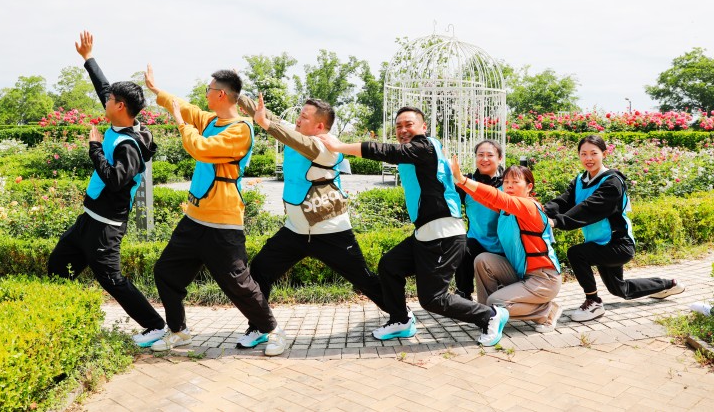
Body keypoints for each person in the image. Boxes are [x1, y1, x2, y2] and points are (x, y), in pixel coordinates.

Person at [319, 107, 509, 346]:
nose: (403, 130)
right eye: (398, 126)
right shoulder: (420, 151)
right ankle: (401, 320)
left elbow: (385, 151)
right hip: (425, 233)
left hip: (444, 235)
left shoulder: (424, 147)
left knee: (433, 299)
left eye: (409, 124)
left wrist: (339, 146)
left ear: (423, 127)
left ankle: (490, 315)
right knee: (390, 266)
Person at [144, 65, 286, 356]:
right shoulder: (211, 120)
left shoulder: (240, 130)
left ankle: (271, 330)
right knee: (166, 272)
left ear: (221, 94)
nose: (205, 94)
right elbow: (186, 108)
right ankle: (178, 331)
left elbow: (201, 148)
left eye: (208, 90)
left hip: (223, 222)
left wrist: (181, 123)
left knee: (238, 284)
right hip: (194, 219)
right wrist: (157, 91)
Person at [235, 93, 387, 348]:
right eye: (299, 114)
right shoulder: (297, 134)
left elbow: (287, 135)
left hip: (331, 232)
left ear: (319, 125)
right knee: (260, 269)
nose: (298, 119)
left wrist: (266, 125)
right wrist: (237, 95)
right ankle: (260, 326)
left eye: (304, 117)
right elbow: (270, 117)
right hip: (295, 231)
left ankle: (402, 316)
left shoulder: (325, 148)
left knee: (364, 280)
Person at [47, 31, 166, 347]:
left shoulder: (129, 145)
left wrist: (95, 148)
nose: (105, 101)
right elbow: (104, 87)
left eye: (110, 100)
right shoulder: (118, 120)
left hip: (106, 228)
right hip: (88, 220)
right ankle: (62, 320)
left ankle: (156, 326)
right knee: (58, 267)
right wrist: (88, 57)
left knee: (112, 280)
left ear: (120, 106)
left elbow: (115, 180)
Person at [543, 135, 685, 322]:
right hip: (599, 243)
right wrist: (541, 211)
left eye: (594, 153)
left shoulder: (612, 182)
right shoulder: (580, 180)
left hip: (618, 244)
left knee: (576, 254)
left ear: (604, 154)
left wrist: (557, 222)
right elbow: (563, 201)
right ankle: (668, 284)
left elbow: (589, 207)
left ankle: (593, 302)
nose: (588, 158)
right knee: (620, 289)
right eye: (583, 154)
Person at [450, 158, 563, 333]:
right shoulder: (507, 209)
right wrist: (459, 182)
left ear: (529, 187)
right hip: (522, 274)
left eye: (515, 182)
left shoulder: (528, 206)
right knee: (483, 260)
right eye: (506, 182)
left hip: (543, 279)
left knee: (496, 302)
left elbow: (495, 196)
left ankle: (547, 312)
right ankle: (487, 316)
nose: (509, 186)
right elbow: (485, 199)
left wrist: (463, 179)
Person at [454, 140, 505, 301]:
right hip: (477, 242)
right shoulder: (466, 183)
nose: (484, 159)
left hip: (505, 245)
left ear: (500, 158)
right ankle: (463, 293)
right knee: (462, 246)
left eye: (490, 155)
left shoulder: (508, 182)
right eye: (480, 155)